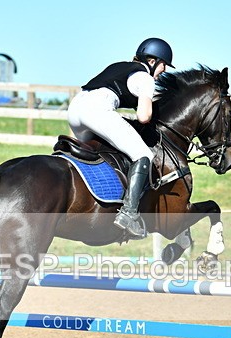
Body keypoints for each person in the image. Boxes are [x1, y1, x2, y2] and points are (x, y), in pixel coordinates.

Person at [67, 38, 174, 239]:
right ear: (153, 61)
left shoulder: (120, 66)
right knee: (143, 155)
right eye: (163, 65)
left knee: (96, 151)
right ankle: (129, 214)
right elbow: (144, 117)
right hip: (96, 110)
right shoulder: (146, 79)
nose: (164, 71)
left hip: (74, 110)